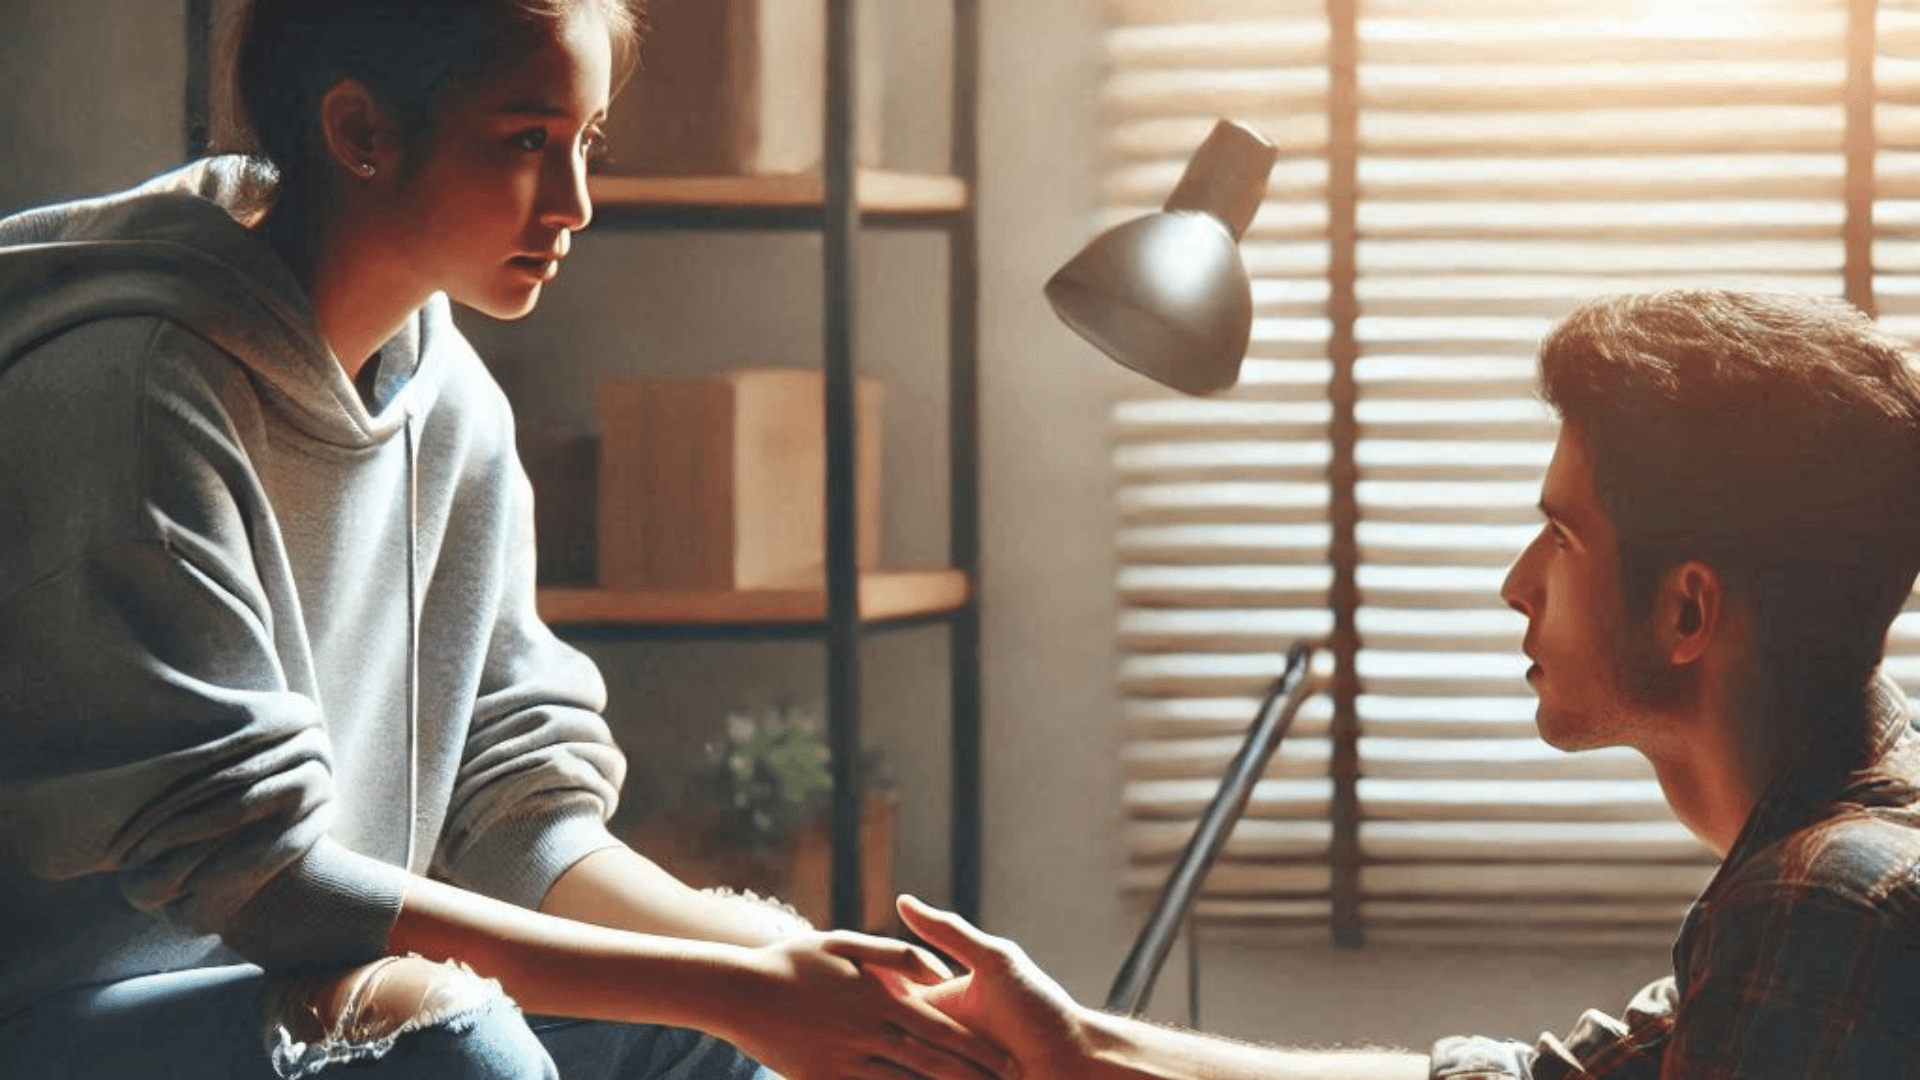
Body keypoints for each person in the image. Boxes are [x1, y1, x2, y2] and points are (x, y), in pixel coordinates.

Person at [0, 3, 1016, 1079]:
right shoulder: (133, 395)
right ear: (360, 133)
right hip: (73, 1014)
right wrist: (742, 989)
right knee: (459, 1045)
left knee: (712, 1031)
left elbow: (515, 817)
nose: (576, 203)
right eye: (526, 141)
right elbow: (266, 883)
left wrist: (787, 967)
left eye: (585, 143)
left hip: (302, 975)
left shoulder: (453, 403)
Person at [887, 289, 1920, 1079]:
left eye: (1561, 537)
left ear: (1686, 612)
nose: (1517, 585)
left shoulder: (1827, 904)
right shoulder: (1840, 846)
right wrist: (1079, 1047)